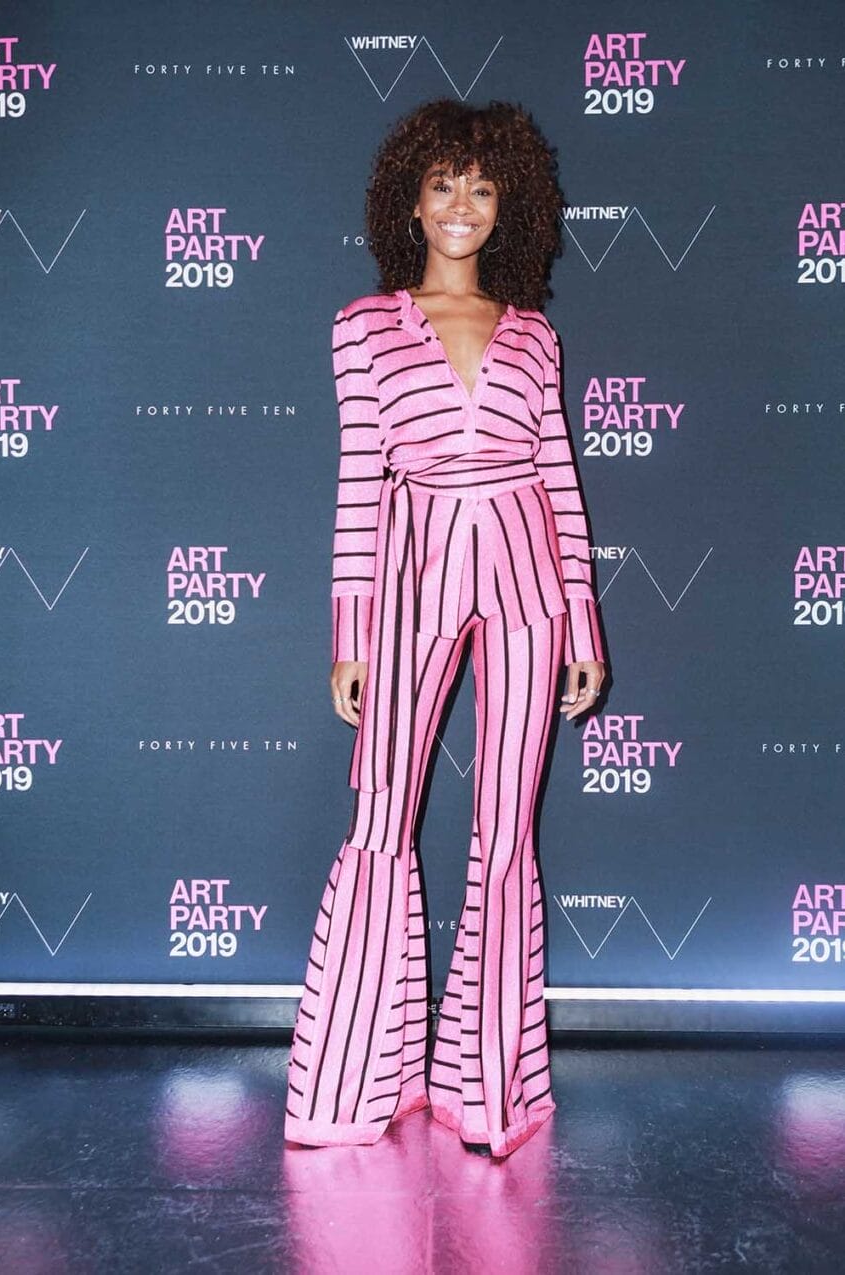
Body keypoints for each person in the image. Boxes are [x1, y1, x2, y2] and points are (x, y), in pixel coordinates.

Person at [284, 98, 606, 1159]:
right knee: (382, 820)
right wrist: (351, 629)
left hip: (526, 585)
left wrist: (582, 624)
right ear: (409, 202)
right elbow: (356, 486)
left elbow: (559, 481)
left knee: (504, 831)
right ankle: (348, 1087)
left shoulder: (534, 335)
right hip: (412, 572)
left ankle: (489, 1092)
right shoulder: (363, 325)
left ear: (504, 202)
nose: (460, 205)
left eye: (480, 186)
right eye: (441, 185)